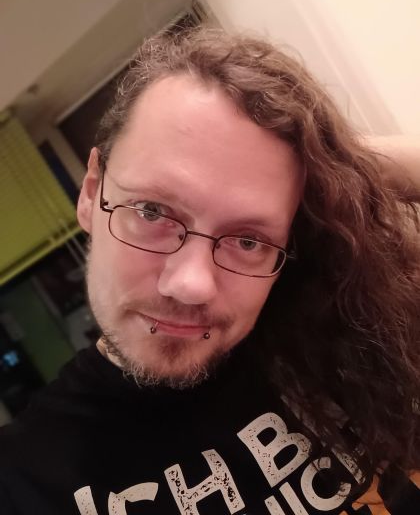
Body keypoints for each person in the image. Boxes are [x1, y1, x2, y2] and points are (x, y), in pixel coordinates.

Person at [0, 27, 419, 515]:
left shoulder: (347, 326)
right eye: (152, 212)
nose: (192, 284)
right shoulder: (22, 483)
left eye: (249, 240)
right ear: (92, 193)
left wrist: (337, 170)